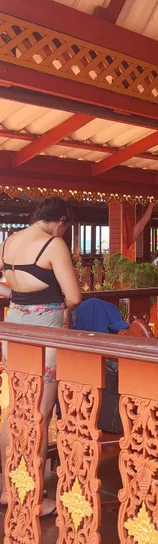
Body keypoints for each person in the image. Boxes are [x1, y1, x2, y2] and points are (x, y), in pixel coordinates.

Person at [0, 197, 81, 515]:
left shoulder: (10, 241)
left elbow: (8, 286)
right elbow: (73, 297)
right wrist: (53, 299)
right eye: (66, 227)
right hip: (44, 335)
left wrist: (14, 294)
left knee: (15, 411)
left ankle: (8, 490)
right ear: (62, 221)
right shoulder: (53, 245)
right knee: (41, 414)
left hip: (13, 331)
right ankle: (33, 498)